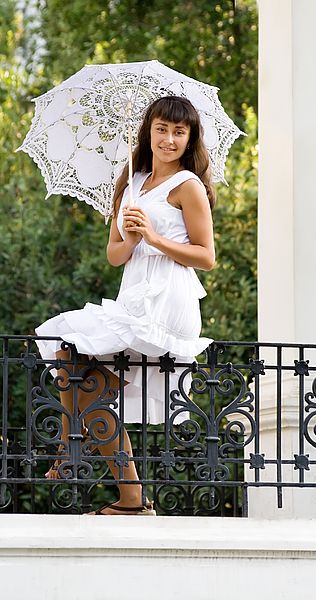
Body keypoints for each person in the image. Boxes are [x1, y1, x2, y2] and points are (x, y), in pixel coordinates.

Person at [35, 95, 216, 515]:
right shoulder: (131, 181)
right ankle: (128, 497)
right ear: (148, 131)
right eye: (162, 129)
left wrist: (154, 238)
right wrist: (133, 239)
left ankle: (69, 451)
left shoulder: (188, 186)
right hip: (132, 293)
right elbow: (115, 255)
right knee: (72, 360)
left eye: (179, 132)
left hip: (166, 299)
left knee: (85, 375)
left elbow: (207, 256)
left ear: (189, 139)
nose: (169, 139)